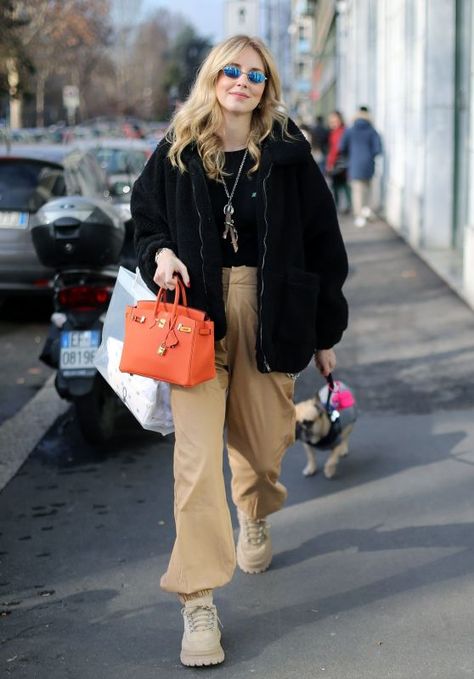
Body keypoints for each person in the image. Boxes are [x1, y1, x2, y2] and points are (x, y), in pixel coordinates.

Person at [131, 34, 349, 668]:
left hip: (268, 312)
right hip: (194, 316)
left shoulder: (288, 157)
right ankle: (198, 602)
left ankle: (255, 508)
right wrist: (159, 255)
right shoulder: (175, 151)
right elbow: (144, 221)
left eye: (255, 74)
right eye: (231, 69)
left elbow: (324, 247)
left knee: (262, 440)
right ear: (213, 76)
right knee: (197, 466)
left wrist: (326, 336)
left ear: (266, 86)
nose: (241, 81)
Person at [339, 105, 382, 227]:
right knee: (367, 188)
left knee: (357, 191)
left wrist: (348, 156)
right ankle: (366, 209)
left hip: (354, 163)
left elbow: (342, 147)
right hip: (369, 164)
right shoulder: (372, 131)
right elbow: (377, 149)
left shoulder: (350, 130)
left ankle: (359, 216)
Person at [325, 110, 351, 213]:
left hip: (339, 163)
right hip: (342, 162)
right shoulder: (337, 131)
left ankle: (340, 206)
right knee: (342, 185)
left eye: (334, 120)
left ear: (340, 120)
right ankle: (345, 205)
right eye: (331, 121)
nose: (332, 123)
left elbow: (335, 149)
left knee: (339, 185)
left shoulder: (339, 132)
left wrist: (330, 164)